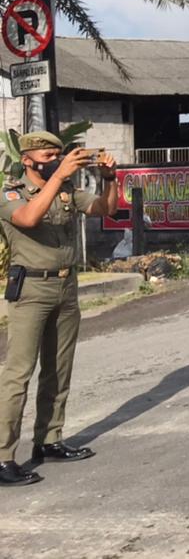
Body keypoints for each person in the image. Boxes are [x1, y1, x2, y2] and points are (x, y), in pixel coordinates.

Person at [0, 132, 119, 487]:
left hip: (66, 286)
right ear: (28, 160)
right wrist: (58, 174)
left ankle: (49, 439)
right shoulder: (11, 193)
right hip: (32, 289)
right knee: (19, 374)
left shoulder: (66, 190)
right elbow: (28, 219)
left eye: (58, 153)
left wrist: (109, 179)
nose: (55, 158)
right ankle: (4, 456)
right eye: (48, 154)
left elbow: (105, 209)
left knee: (58, 368)